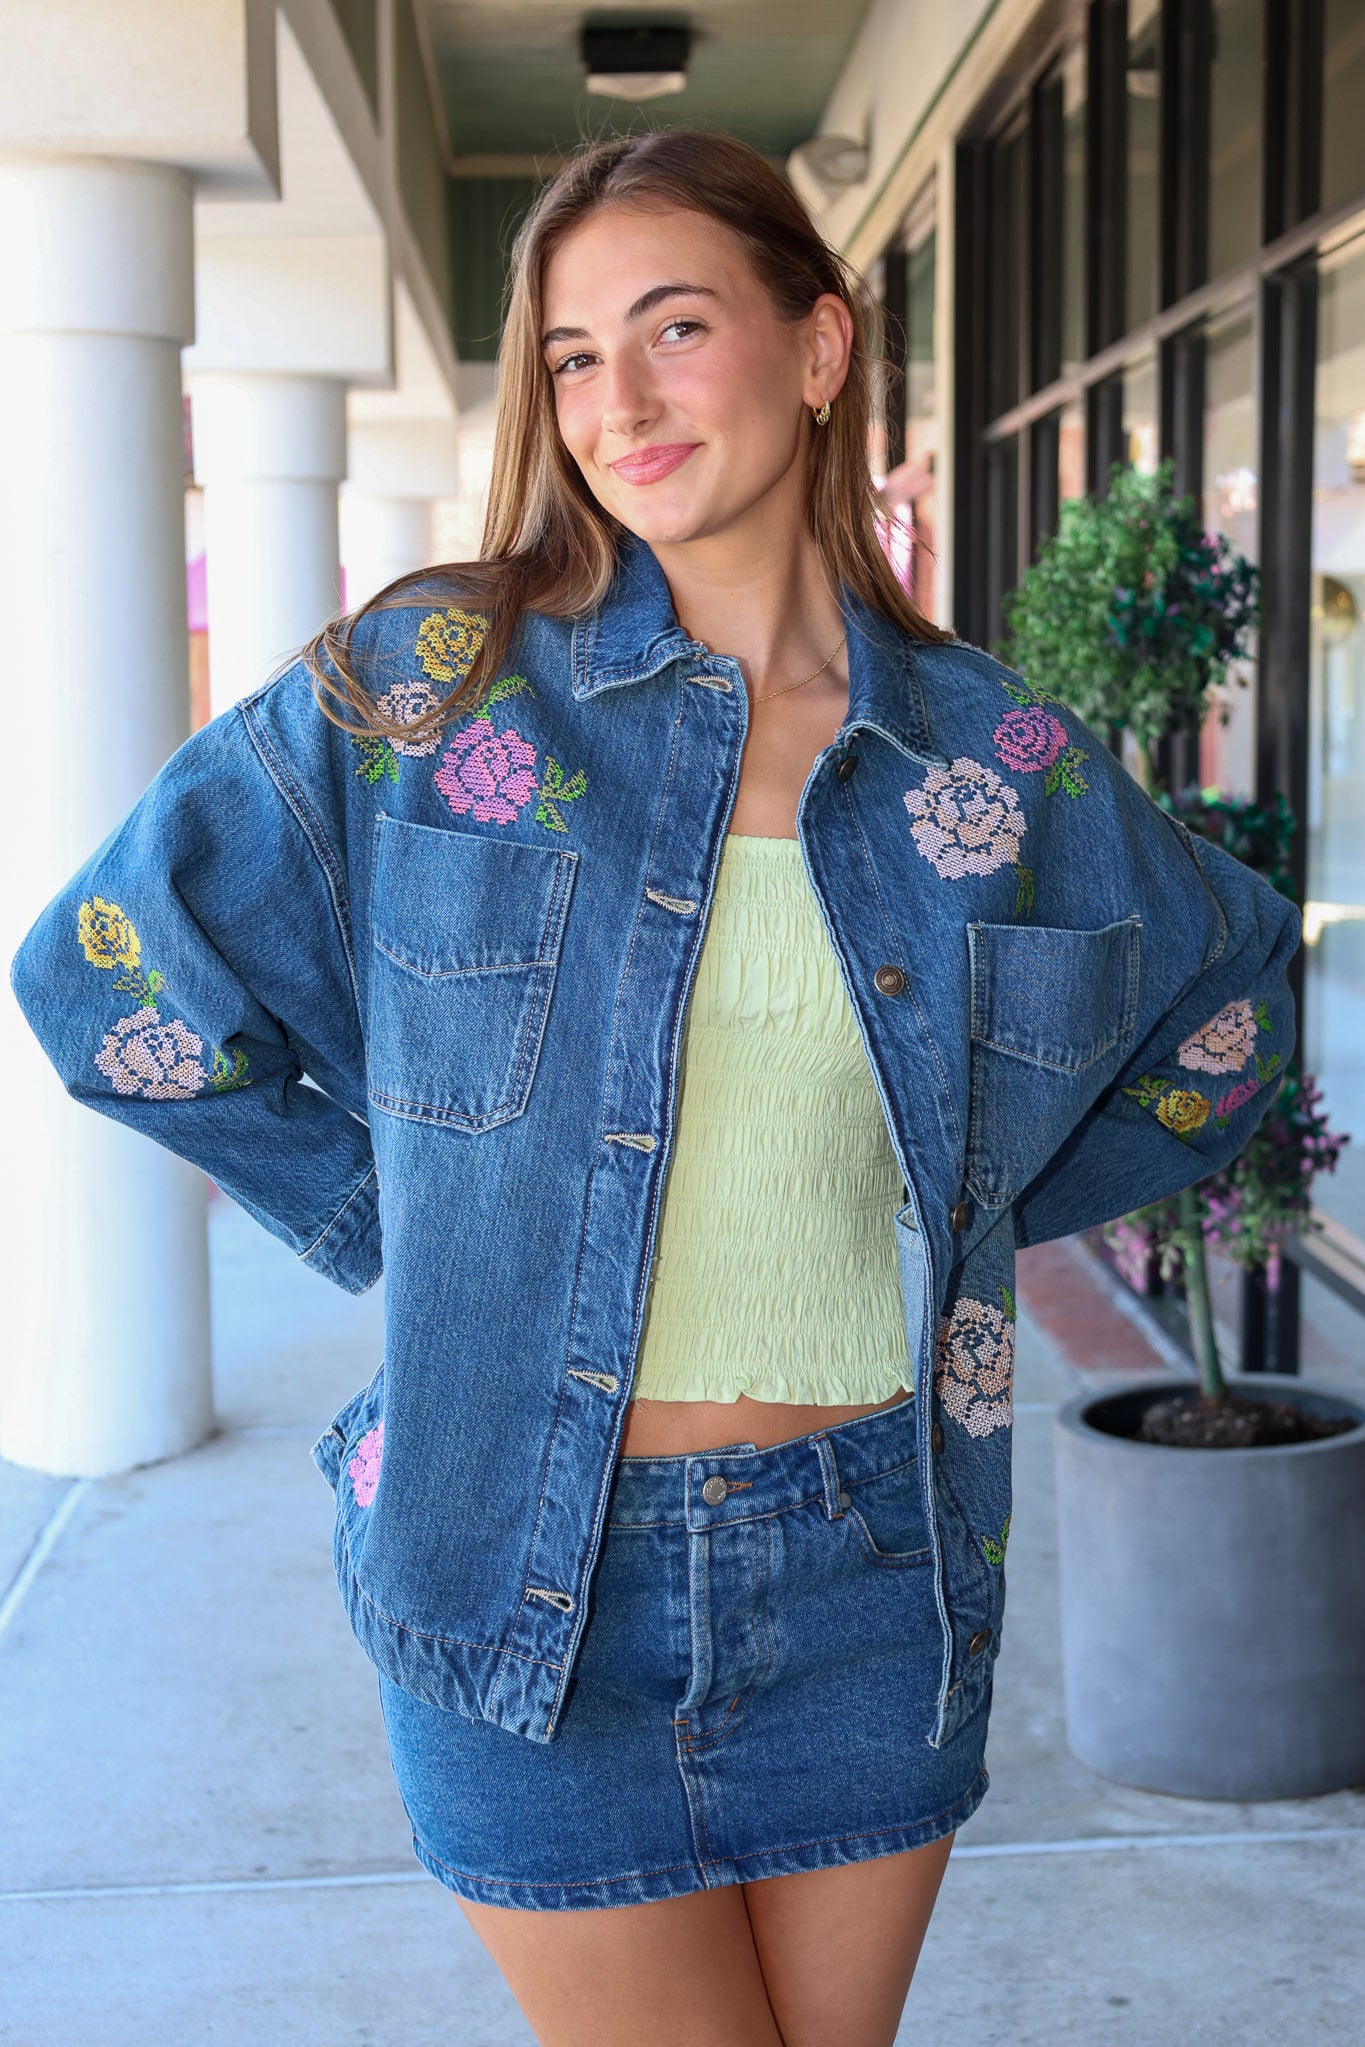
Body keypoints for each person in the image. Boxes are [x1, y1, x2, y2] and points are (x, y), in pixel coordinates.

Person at [11, 130, 1299, 2047]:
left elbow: (1229, 992)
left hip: (879, 1560)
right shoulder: (435, 690)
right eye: (568, 356)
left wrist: (956, 1204)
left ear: (816, 345)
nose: (614, 396)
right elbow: (111, 977)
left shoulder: (984, 756)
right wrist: (418, 1228)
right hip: (524, 1574)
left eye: (673, 326)